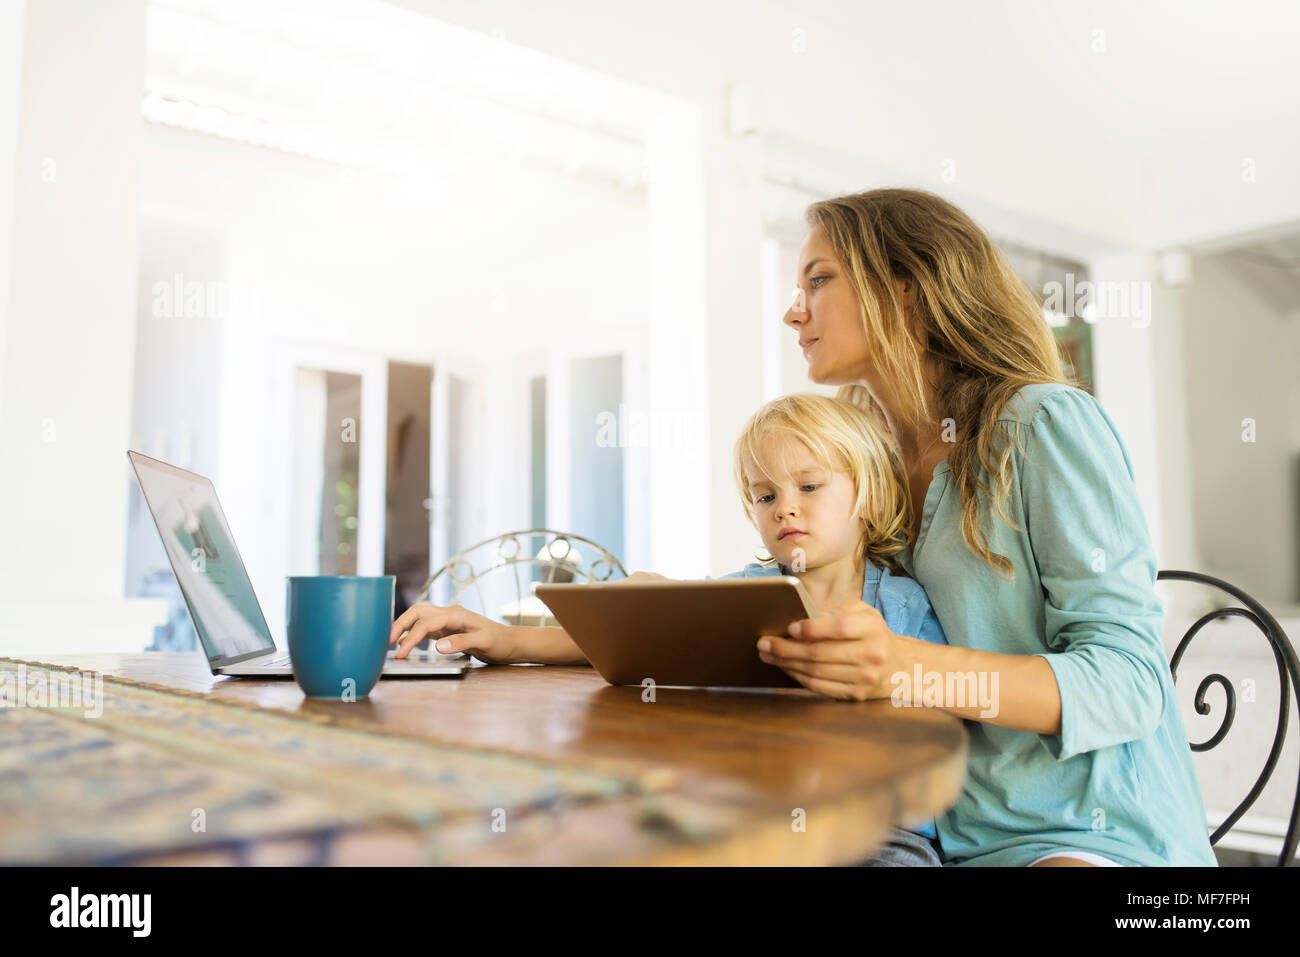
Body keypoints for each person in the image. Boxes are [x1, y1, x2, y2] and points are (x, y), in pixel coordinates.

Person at [761, 187, 1216, 867]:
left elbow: (1129, 680)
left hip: (1089, 836)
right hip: (932, 839)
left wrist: (908, 668)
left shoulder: (1044, 424)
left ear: (906, 290)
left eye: (819, 280)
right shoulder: (865, 466)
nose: (794, 310)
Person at [391, 391, 950, 865]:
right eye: (765, 495)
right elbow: (627, 641)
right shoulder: (738, 594)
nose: (785, 509)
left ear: (868, 494)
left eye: (809, 487)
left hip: (878, 836)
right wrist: (508, 640)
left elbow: (937, 718)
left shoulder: (901, 605)